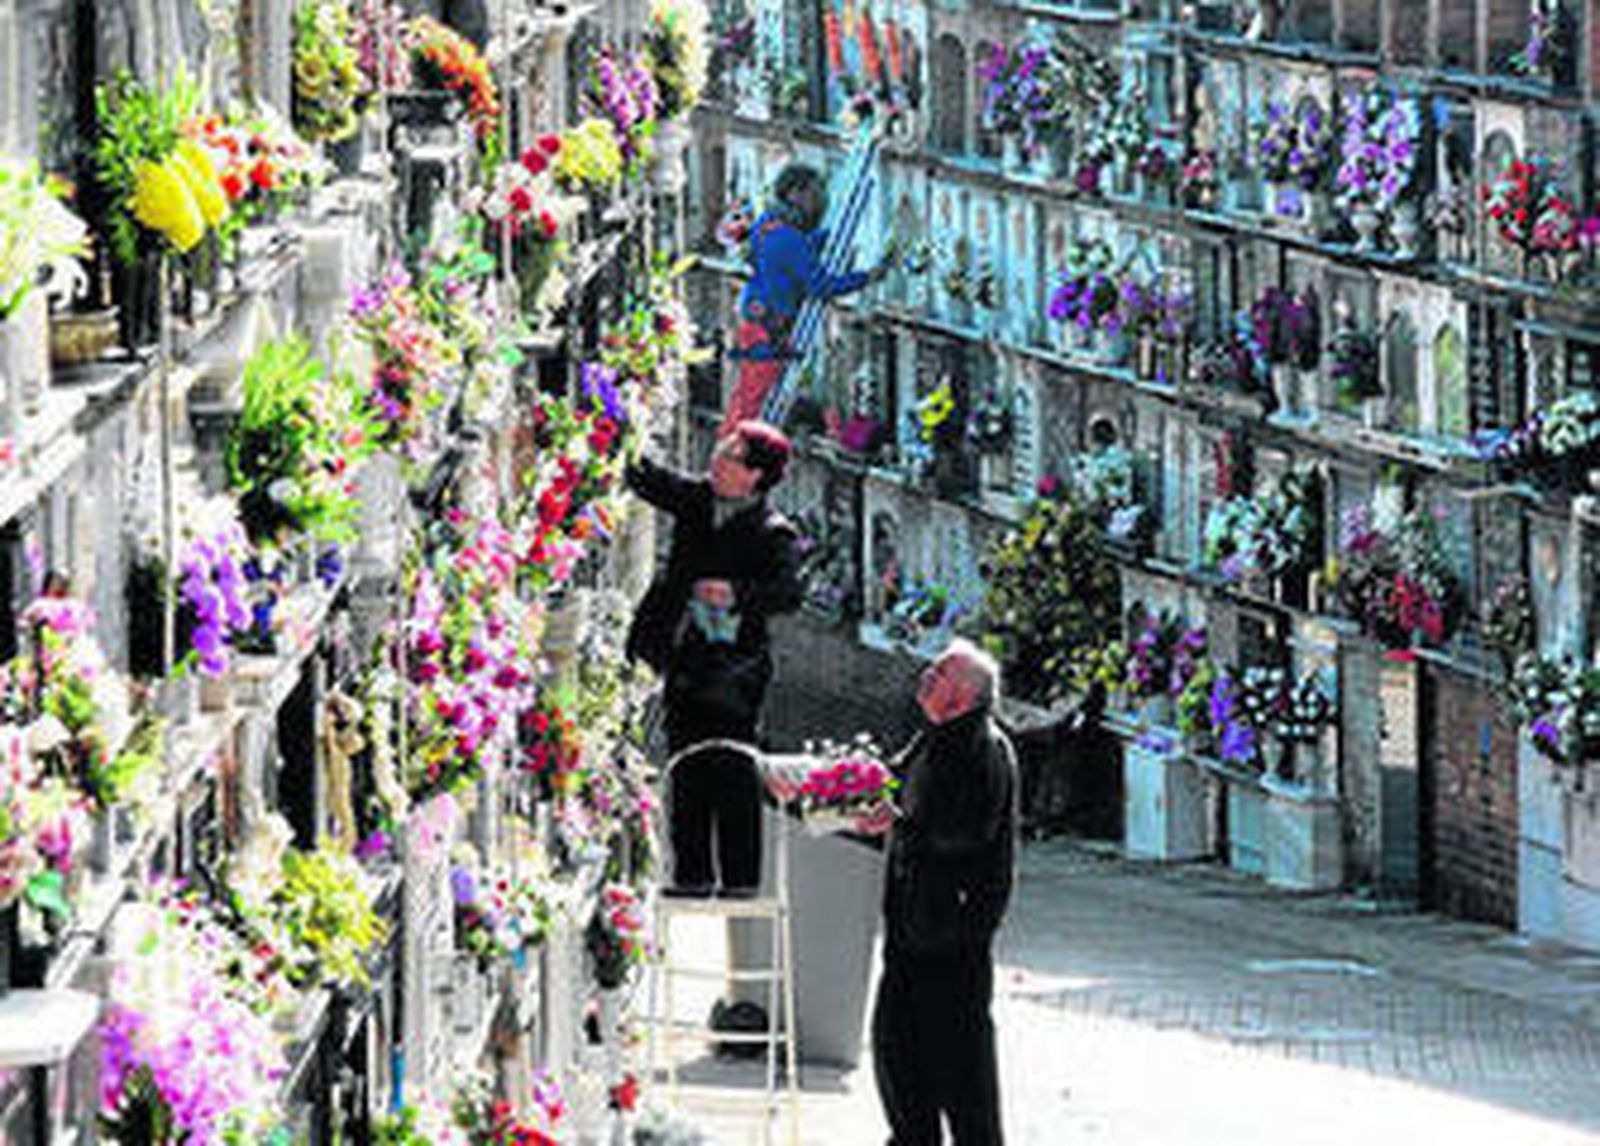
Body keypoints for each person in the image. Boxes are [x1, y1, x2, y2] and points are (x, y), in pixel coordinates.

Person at [625, 421, 804, 895]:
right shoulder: (698, 501)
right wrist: (616, 423)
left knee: (733, 766)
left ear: (753, 476)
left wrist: (736, 593)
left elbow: (788, 594)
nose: (716, 459)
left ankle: (741, 879)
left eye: (729, 455)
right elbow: (650, 480)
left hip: (735, 668)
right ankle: (692, 875)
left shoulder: (773, 533)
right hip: (684, 653)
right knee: (685, 760)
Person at [857, 639, 1019, 1145]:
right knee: (898, 1051)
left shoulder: (983, 748)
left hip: (951, 931)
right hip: (916, 927)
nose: (928, 674)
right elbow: (893, 779)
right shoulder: (937, 736)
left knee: (960, 1068)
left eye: (942, 671)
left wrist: (898, 823)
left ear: (965, 695)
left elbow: (963, 832)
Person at [723, 163, 887, 431]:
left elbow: (792, 254)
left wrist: (824, 239)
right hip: (770, 330)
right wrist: (867, 277)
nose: (820, 201)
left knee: (747, 397)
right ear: (795, 194)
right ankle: (738, 454)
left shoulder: (767, 223)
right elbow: (821, 285)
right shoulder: (788, 238)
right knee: (755, 402)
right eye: (814, 193)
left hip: (755, 321)